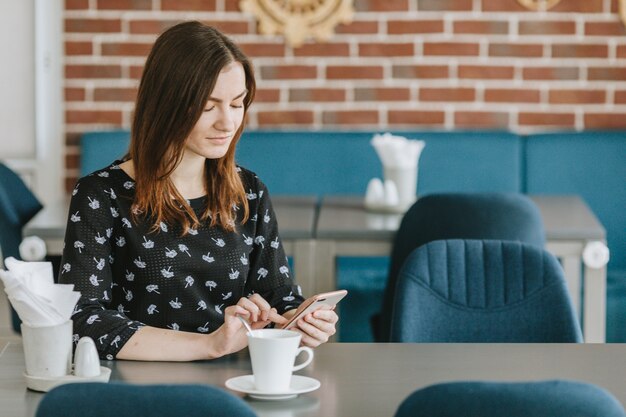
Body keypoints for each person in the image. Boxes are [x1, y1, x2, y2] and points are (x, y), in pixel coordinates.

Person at [59, 21, 338, 361]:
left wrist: (301, 321)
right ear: (166, 104)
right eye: (208, 107)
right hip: (135, 389)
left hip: (235, 386)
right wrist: (208, 346)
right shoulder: (100, 195)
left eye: (237, 104)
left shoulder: (248, 192)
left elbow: (278, 296)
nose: (227, 122)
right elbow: (84, 320)